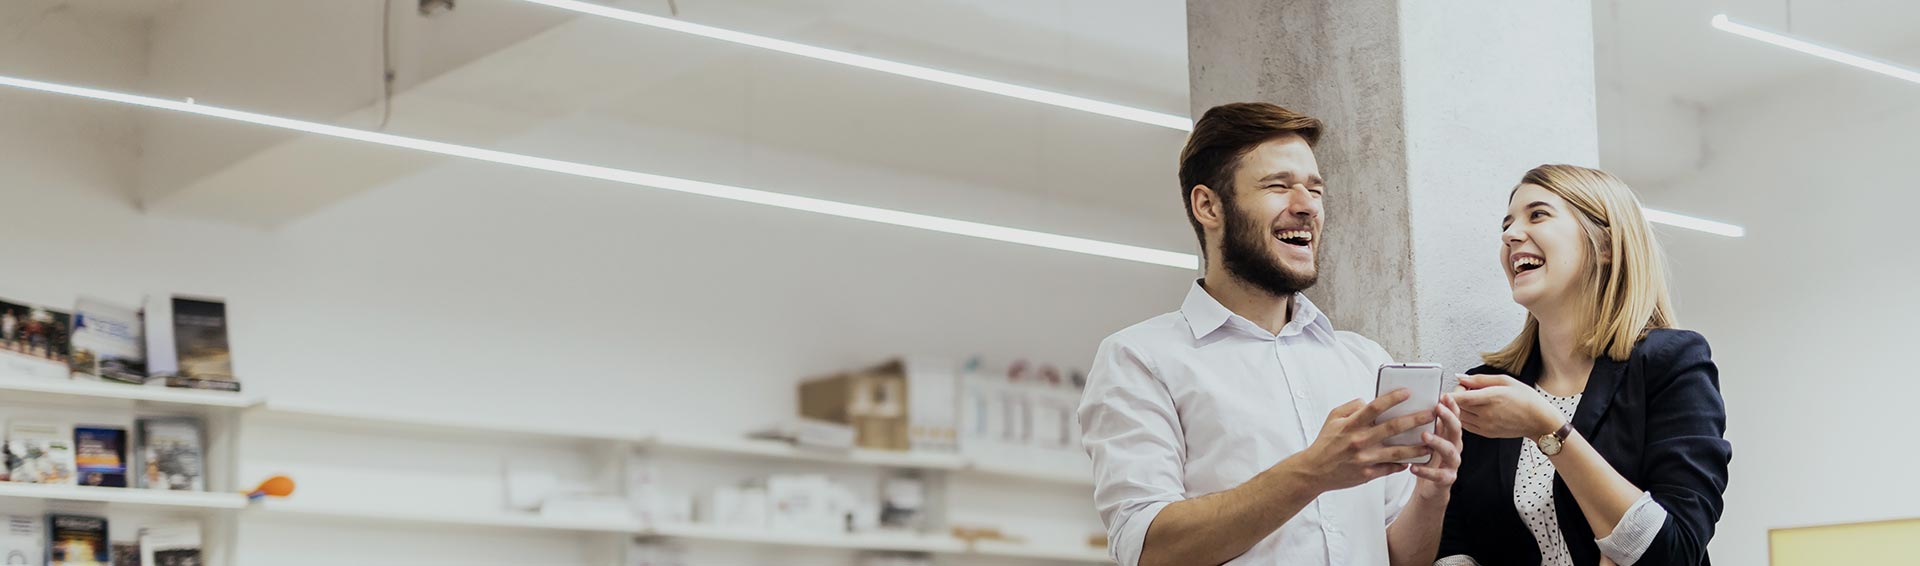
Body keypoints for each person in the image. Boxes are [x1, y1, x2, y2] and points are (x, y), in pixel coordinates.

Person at [1077, 102, 1465, 566]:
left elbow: (1403, 559)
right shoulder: (1140, 358)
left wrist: (1431, 493)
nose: (1306, 207)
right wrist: (1314, 472)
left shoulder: (1364, 360)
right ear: (1209, 205)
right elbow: (1150, 549)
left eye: (1315, 190)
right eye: (1278, 186)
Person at [1438, 165, 1732, 566]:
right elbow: (1456, 542)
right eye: (1506, 224)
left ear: (1605, 245)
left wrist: (1547, 428)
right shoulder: (1487, 389)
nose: (1509, 235)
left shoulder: (1671, 363)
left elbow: (1675, 551)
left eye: (1537, 214)